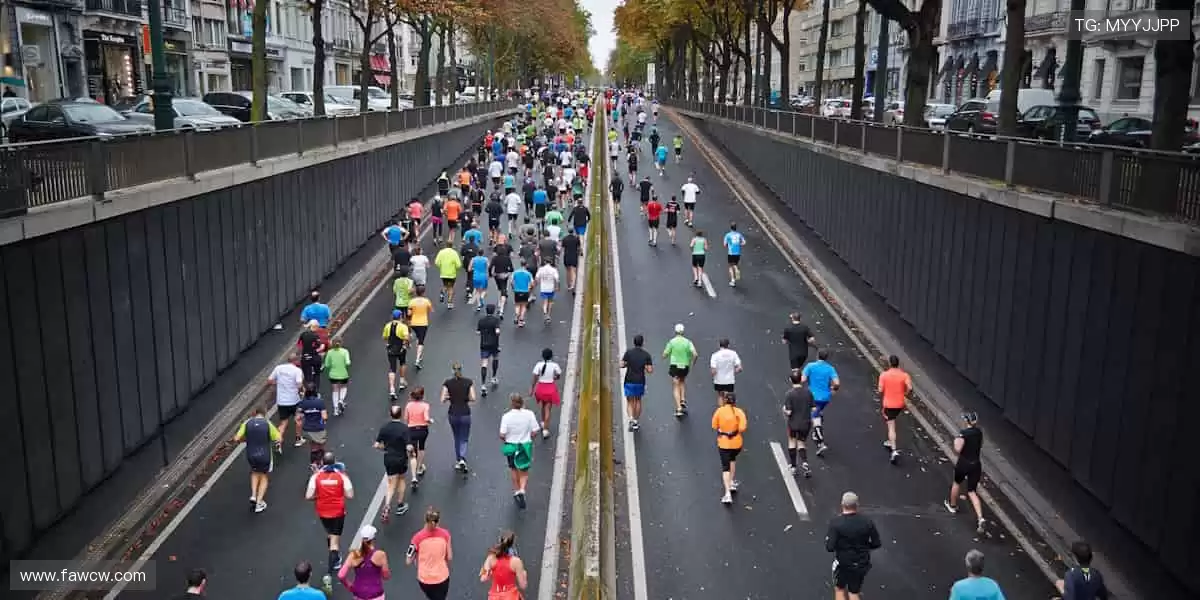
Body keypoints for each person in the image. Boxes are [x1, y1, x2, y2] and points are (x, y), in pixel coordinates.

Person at [825, 491, 881, 600]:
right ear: (857, 505)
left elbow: (829, 547)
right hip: (861, 564)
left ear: (842, 504)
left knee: (839, 589)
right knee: (854, 592)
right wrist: (865, 547)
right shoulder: (867, 522)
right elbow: (876, 543)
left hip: (843, 564)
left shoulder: (836, 523)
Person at [306, 451, 354, 574]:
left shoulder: (316, 476)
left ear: (322, 462)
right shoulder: (342, 476)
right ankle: (330, 570)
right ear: (335, 462)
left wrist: (319, 497)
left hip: (323, 512)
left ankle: (335, 556)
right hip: (338, 512)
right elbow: (350, 495)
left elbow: (308, 496)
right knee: (334, 543)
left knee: (330, 534)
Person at [945, 411, 987, 535]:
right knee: (972, 491)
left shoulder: (963, 434)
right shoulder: (979, 432)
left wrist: (956, 440)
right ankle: (980, 518)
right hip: (976, 465)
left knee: (957, 483)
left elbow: (957, 449)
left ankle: (952, 506)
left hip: (964, 463)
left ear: (967, 421)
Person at [233, 407, 280, 513]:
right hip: (265, 455)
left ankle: (253, 495)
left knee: (254, 472)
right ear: (264, 413)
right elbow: (278, 438)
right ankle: (259, 503)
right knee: (264, 476)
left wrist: (245, 440)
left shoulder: (247, 423)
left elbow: (236, 438)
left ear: (254, 413)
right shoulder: (267, 423)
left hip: (251, 455)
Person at [500, 393, 540, 509]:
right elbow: (535, 430)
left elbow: (502, 434)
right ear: (522, 403)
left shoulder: (506, 416)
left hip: (511, 445)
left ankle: (517, 490)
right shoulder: (529, 414)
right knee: (524, 469)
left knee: (513, 468)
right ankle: (522, 489)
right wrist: (530, 438)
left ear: (511, 403)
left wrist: (507, 440)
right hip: (524, 445)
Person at [375, 404, 412, 522]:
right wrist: (411, 453)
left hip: (389, 458)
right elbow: (409, 446)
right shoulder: (404, 428)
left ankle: (387, 505)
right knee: (401, 479)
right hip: (401, 458)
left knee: (391, 483)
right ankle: (400, 505)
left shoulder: (384, 428)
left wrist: (385, 447)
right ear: (400, 414)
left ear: (390, 414)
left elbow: (376, 444)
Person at [408, 507, 452, 600]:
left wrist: (416, 556)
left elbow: (408, 560)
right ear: (438, 521)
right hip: (442, 577)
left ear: (425, 520)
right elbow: (449, 557)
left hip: (424, 579)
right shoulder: (445, 534)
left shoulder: (417, 538)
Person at [802, 349, 840, 456]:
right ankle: (816, 434)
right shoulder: (830, 369)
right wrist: (833, 389)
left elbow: (803, 379)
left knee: (815, 417)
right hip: (825, 398)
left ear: (817, 355)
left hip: (812, 397)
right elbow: (837, 383)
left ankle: (820, 442)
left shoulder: (810, 366)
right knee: (818, 413)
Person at [711, 392, 747, 505]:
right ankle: (731, 482)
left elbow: (714, 425)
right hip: (736, 444)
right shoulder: (739, 412)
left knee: (725, 468)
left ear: (725, 400)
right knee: (732, 460)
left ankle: (727, 494)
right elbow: (742, 427)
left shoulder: (719, 411)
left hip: (724, 444)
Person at [338, 525, 391, 600]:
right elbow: (386, 576)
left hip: (359, 595)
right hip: (376, 595)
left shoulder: (354, 555)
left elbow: (341, 575)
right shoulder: (380, 555)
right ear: (374, 539)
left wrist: (349, 586)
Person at [441, 363, 476, 472]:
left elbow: (442, 399)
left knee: (456, 436)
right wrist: (465, 398)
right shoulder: (468, 382)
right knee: (464, 437)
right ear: (461, 370)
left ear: (452, 371)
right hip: (465, 413)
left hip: (453, 413)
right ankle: (462, 458)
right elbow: (473, 398)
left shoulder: (447, 383)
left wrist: (450, 397)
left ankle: (458, 460)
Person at [877, 355, 912, 465]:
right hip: (899, 404)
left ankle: (894, 450)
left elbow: (880, 390)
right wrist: (905, 393)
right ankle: (889, 441)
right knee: (891, 420)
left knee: (891, 426)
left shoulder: (884, 375)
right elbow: (910, 388)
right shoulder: (904, 375)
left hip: (889, 404)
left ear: (889, 363)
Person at [268, 352, 305, 448]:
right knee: (298, 419)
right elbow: (299, 385)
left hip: (281, 401)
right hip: (294, 401)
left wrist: (279, 383)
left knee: (283, 422)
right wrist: (301, 391)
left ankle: (278, 440)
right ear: (295, 361)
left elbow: (269, 381)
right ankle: (298, 439)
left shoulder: (278, 368)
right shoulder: (297, 370)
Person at [782, 370, 815, 477]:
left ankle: (793, 466)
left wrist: (784, 409)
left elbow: (789, 412)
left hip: (793, 423)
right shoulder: (808, 392)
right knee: (801, 442)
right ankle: (805, 462)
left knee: (792, 442)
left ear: (790, 380)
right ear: (801, 379)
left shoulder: (789, 394)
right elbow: (814, 408)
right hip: (806, 423)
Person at [479, 532, 528, 600]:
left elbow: (483, 578)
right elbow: (523, 585)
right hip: (511, 596)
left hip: (494, 597)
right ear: (512, 543)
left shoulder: (490, 558)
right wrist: (524, 574)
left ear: (500, 541)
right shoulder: (516, 561)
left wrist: (488, 572)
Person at [662, 323, 698, 417]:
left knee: (675, 385)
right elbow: (695, 354)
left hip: (675, 365)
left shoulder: (672, 342)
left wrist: (665, 356)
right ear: (683, 331)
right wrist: (692, 362)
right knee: (682, 381)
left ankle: (679, 408)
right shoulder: (688, 342)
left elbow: (665, 354)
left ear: (675, 331)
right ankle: (683, 399)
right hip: (685, 365)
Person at [620, 334, 654, 432]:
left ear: (634, 342)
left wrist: (627, 364)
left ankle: (631, 419)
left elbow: (621, 364)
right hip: (640, 381)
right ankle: (635, 420)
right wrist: (645, 366)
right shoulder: (646, 355)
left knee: (630, 401)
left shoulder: (628, 353)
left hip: (629, 380)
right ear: (642, 343)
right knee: (638, 400)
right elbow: (650, 370)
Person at [530, 348, 563, 439]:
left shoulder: (538, 365)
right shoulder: (555, 365)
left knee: (543, 405)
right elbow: (558, 375)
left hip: (541, 388)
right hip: (550, 389)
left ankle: (543, 422)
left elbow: (535, 378)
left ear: (542, 356)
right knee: (548, 408)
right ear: (551, 356)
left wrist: (532, 389)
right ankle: (545, 429)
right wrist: (554, 377)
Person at [404, 387, 433, 487]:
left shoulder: (408, 405)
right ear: (422, 396)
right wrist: (430, 421)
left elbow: (406, 418)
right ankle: (420, 467)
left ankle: (413, 477)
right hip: (422, 429)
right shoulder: (425, 405)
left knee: (412, 453)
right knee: (421, 447)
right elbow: (426, 418)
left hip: (411, 430)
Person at [299, 383, 329, 471]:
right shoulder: (319, 402)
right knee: (321, 446)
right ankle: (321, 463)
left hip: (307, 429)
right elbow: (324, 417)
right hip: (318, 428)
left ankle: (313, 464)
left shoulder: (303, 403)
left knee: (313, 447)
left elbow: (298, 417)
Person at [382, 310, 410, 399]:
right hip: (400, 348)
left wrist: (388, 342)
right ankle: (402, 381)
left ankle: (392, 388)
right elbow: (406, 337)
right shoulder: (403, 326)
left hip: (391, 349)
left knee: (392, 368)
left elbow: (384, 337)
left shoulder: (387, 326)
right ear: (400, 317)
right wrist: (406, 344)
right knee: (402, 363)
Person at [709, 338, 742, 405]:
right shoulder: (733, 354)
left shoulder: (715, 355)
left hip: (719, 380)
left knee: (720, 395)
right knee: (729, 397)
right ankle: (728, 409)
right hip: (730, 380)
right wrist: (733, 371)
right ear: (728, 345)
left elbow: (713, 371)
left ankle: (721, 410)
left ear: (719, 345)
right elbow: (739, 368)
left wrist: (713, 375)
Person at [477, 304, 502, 393]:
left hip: (484, 344)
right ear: (493, 311)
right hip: (494, 344)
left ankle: (483, 385)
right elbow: (497, 331)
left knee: (484, 363)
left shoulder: (481, 320)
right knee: (495, 358)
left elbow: (478, 332)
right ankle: (493, 377)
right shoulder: (496, 320)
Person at [408, 286, 433, 369]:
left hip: (414, 323)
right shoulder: (426, 301)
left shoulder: (412, 301)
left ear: (416, 292)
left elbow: (409, 313)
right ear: (423, 292)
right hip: (423, 323)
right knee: (421, 341)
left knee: (418, 338)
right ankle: (417, 359)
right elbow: (430, 310)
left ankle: (419, 355)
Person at [433, 241, 462, 308]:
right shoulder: (454, 253)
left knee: (445, 285)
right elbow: (458, 265)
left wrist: (441, 267)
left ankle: (442, 292)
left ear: (446, 245)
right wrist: (456, 268)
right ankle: (449, 303)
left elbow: (437, 262)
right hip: (452, 274)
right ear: (452, 245)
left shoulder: (441, 252)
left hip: (443, 273)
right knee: (451, 287)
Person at [297, 320, 326, 385]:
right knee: (317, 374)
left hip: (305, 358)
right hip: (314, 357)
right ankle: (316, 387)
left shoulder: (303, 334)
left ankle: (309, 387)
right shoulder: (315, 336)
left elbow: (299, 346)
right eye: (317, 327)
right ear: (315, 327)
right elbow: (319, 348)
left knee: (307, 377)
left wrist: (301, 354)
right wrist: (322, 347)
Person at [535, 260, 560, 324]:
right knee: (550, 302)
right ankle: (548, 315)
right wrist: (557, 287)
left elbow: (537, 277)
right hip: (551, 288)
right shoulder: (554, 270)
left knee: (545, 302)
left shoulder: (541, 269)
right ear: (551, 262)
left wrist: (537, 283)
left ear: (545, 262)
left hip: (543, 288)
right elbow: (557, 279)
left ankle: (545, 312)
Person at [511, 260, 534, 328]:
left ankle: (516, 316)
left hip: (517, 291)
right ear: (526, 265)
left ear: (520, 264)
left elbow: (511, 281)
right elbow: (532, 283)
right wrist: (530, 288)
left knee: (517, 305)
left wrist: (513, 288)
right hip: (525, 291)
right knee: (523, 306)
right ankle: (521, 319)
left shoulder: (515, 272)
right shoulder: (528, 273)